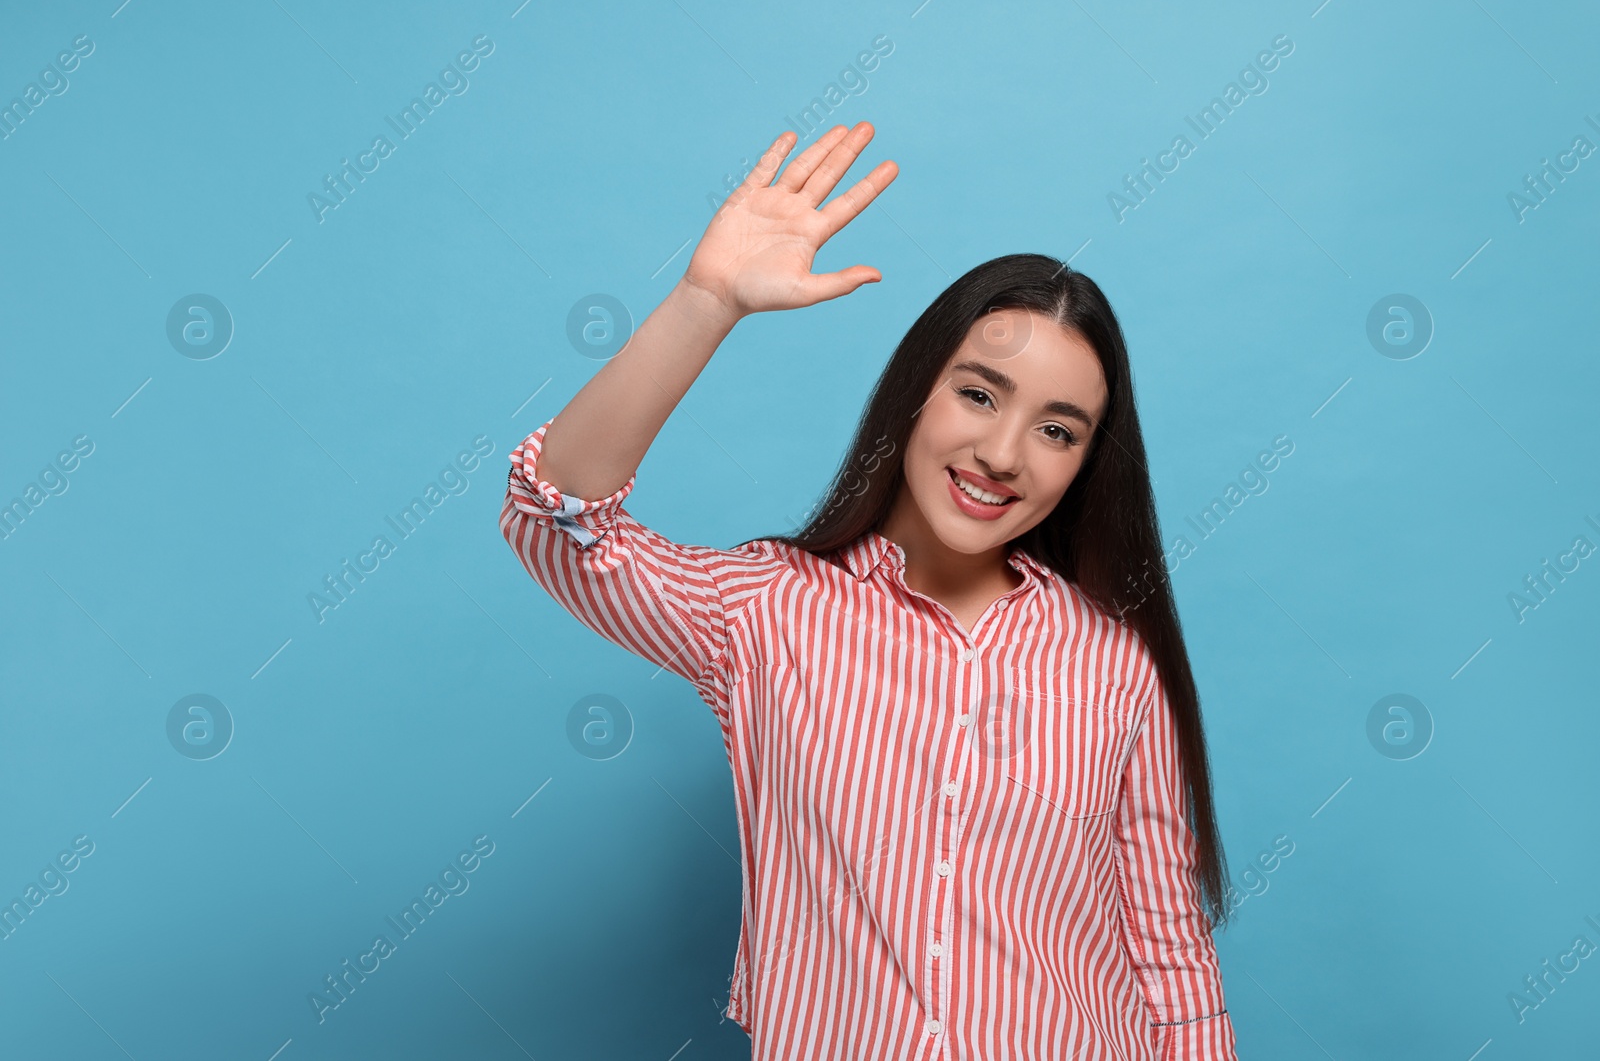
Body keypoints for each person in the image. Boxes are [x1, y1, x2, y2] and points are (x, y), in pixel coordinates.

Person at [500, 121, 1238, 1060]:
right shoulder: (767, 611)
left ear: (1088, 464)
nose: (1003, 455)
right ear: (916, 393)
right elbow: (559, 521)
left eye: (1058, 430)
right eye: (978, 394)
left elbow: (1170, 958)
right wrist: (705, 302)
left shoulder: (1115, 661)